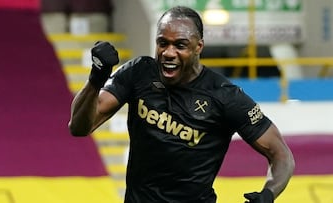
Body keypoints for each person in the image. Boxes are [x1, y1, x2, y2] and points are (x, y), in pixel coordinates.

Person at [68, 6, 295, 203]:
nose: (168, 53)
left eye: (180, 45)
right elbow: (79, 127)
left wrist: (268, 194)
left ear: (199, 47)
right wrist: (96, 79)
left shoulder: (225, 96)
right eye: (163, 43)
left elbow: (282, 155)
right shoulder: (139, 73)